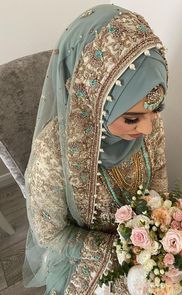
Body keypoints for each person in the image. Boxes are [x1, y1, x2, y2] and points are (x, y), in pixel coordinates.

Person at [22, 3, 169, 294]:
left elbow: (158, 178)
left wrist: (162, 228)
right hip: (86, 259)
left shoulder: (150, 123)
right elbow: (50, 234)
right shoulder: (53, 154)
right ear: (95, 105)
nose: (148, 129)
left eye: (156, 110)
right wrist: (122, 249)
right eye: (131, 118)